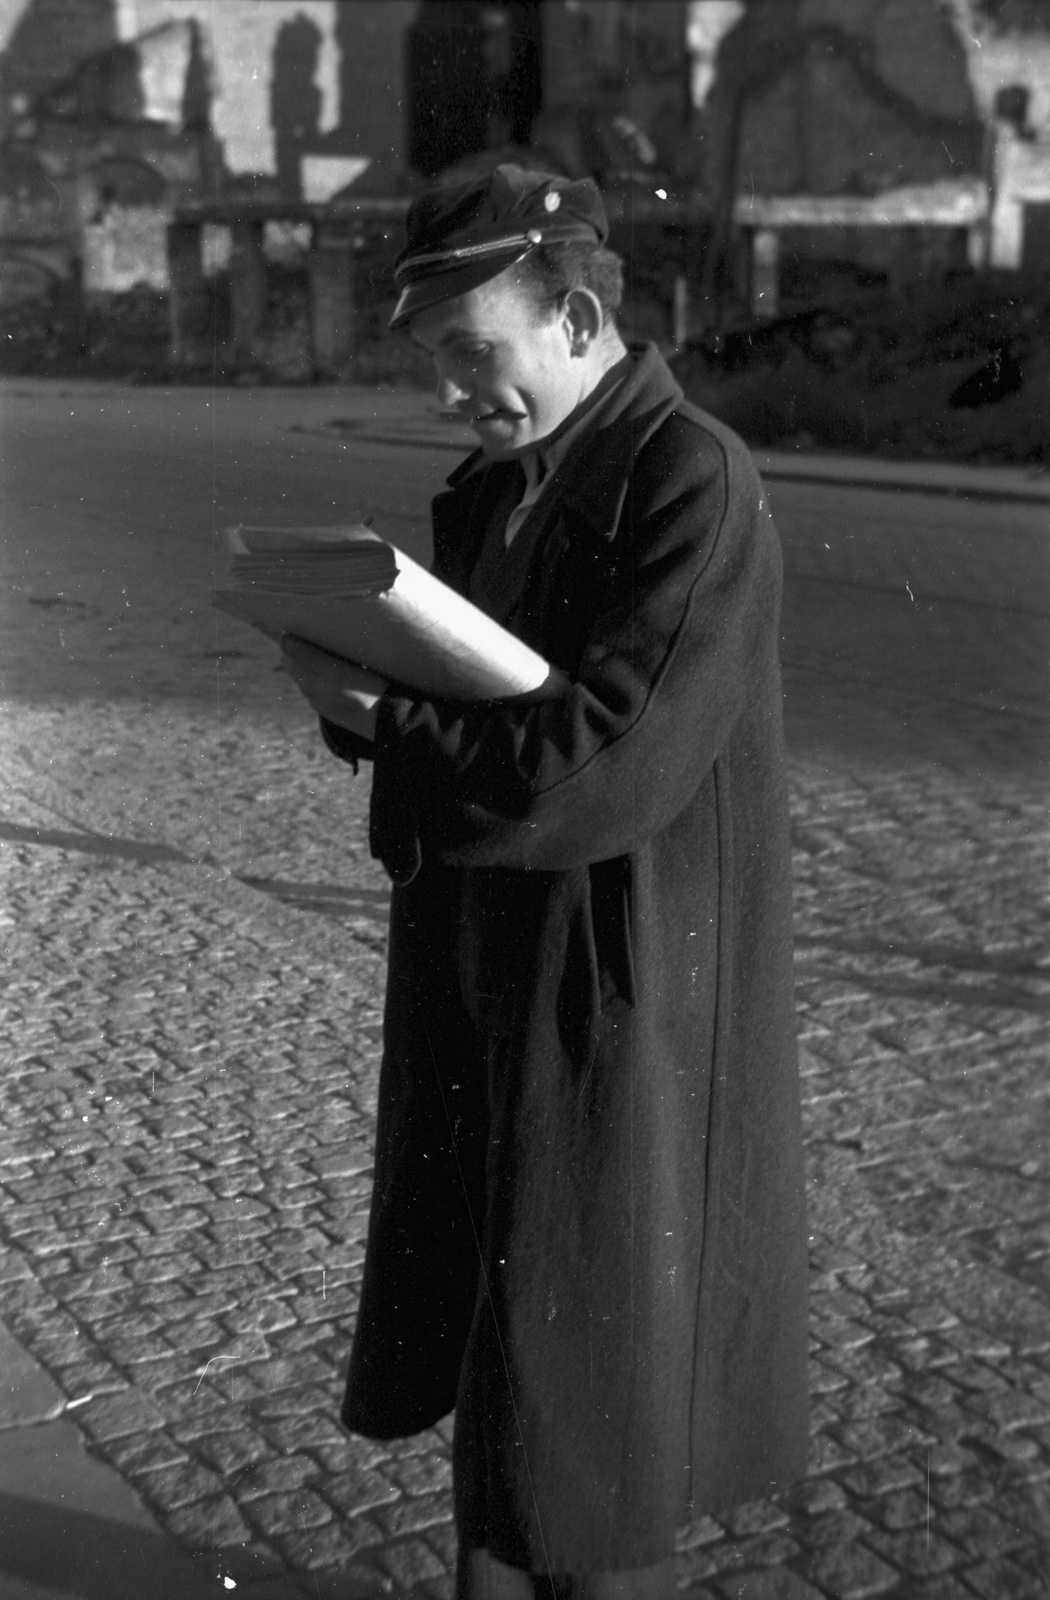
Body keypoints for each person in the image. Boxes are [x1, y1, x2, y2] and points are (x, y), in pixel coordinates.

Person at [281, 164, 808, 1600]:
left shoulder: (687, 475)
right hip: (493, 956)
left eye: (474, 354)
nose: (454, 391)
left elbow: (605, 761)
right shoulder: (514, 479)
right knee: (508, 1353)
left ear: (575, 317)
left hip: (611, 989)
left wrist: (394, 724)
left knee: (586, 1401)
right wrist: (356, 684)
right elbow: (481, 705)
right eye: (436, 361)